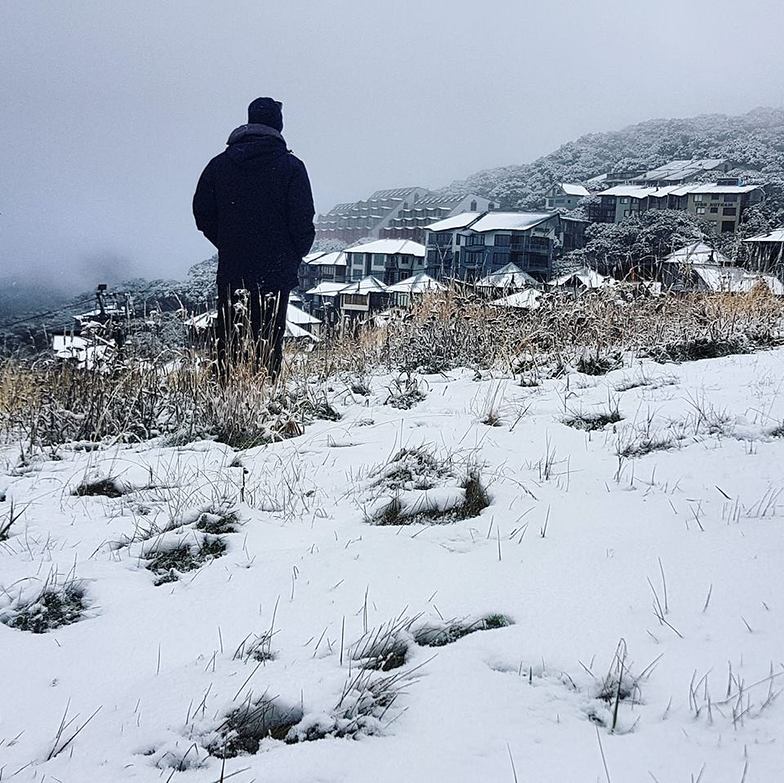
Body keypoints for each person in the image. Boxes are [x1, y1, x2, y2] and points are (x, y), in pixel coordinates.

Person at [193, 97, 315, 380]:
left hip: (233, 265)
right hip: (276, 269)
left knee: (230, 336)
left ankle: (227, 396)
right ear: (278, 125)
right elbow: (302, 220)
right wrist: (293, 254)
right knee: (269, 339)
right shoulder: (292, 167)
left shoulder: (218, 165)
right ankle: (264, 396)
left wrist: (226, 241)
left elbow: (202, 213)